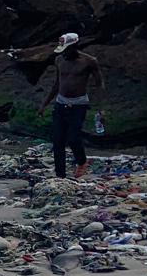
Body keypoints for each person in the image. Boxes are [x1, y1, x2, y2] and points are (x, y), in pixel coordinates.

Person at [38, 32, 104, 179]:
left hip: (78, 104)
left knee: (74, 138)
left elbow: (99, 83)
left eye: (67, 49)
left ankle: (81, 161)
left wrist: (100, 108)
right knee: (58, 141)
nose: (65, 53)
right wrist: (44, 104)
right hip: (61, 103)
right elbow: (57, 84)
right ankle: (60, 176)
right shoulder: (59, 60)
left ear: (75, 46)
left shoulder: (89, 61)